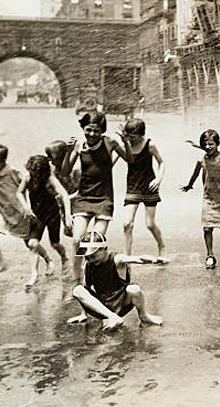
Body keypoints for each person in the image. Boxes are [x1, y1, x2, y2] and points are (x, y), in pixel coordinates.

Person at [62, 111, 133, 287]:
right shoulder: (79, 146)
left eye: (96, 130)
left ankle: (97, 277)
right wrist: (69, 151)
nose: (92, 134)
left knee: (94, 241)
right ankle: (77, 280)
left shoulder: (110, 142)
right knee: (78, 239)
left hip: (104, 200)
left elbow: (130, 159)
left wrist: (125, 141)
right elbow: (64, 172)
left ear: (102, 131)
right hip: (83, 198)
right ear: (83, 128)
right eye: (88, 130)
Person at [67, 231, 164, 330]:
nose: (91, 260)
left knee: (134, 289)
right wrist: (83, 314)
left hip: (121, 304)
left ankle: (144, 317)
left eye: (94, 256)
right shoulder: (89, 264)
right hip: (102, 307)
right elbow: (86, 289)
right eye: (87, 257)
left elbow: (132, 259)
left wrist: (150, 260)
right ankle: (113, 317)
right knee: (78, 290)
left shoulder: (116, 260)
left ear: (105, 249)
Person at [182, 129, 220, 270]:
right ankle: (210, 255)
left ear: (217, 144)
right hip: (208, 199)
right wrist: (189, 185)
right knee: (207, 228)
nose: (208, 147)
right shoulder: (201, 160)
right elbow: (195, 175)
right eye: (205, 144)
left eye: (211, 144)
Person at [0, 144, 46, 278]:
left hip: (18, 213)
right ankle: (1, 264)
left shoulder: (12, 172)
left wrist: (31, 206)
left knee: (29, 242)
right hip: (1, 212)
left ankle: (48, 259)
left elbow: (29, 184)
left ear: (1, 161)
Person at [16, 155, 73, 287]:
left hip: (52, 214)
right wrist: (26, 206)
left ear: (44, 172)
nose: (35, 176)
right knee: (32, 244)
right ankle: (34, 275)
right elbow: (19, 192)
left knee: (55, 244)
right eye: (33, 173)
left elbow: (64, 195)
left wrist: (68, 217)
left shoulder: (50, 178)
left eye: (37, 174)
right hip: (37, 216)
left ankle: (64, 257)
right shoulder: (27, 177)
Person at [120, 118, 167, 259]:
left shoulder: (150, 145)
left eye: (133, 136)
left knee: (150, 224)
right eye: (128, 136)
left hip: (149, 187)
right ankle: (127, 255)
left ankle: (161, 246)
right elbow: (111, 161)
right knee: (127, 223)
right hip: (133, 187)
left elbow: (162, 163)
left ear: (141, 135)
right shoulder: (126, 145)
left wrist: (158, 179)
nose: (130, 139)